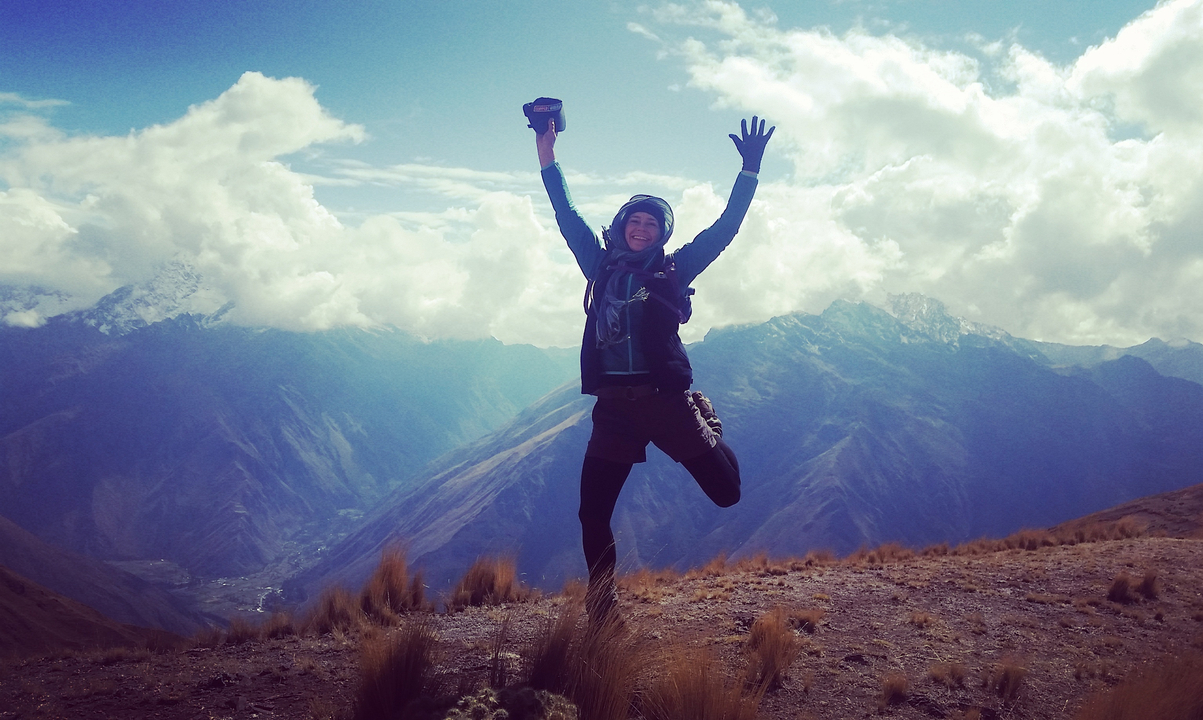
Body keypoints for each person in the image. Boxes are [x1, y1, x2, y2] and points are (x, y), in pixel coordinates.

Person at [536, 114, 774, 625]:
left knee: (727, 495)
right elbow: (564, 211)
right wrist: (545, 144)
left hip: (666, 401)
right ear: (621, 226)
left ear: (662, 234)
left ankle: (706, 421)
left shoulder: (675, 268)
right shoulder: (598, 264)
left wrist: (749, 171)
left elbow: (725, 230)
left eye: (651, 225)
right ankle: (603, 609)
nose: (641, 230)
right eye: (634, 222)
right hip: (614, 411)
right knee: (592, 512)